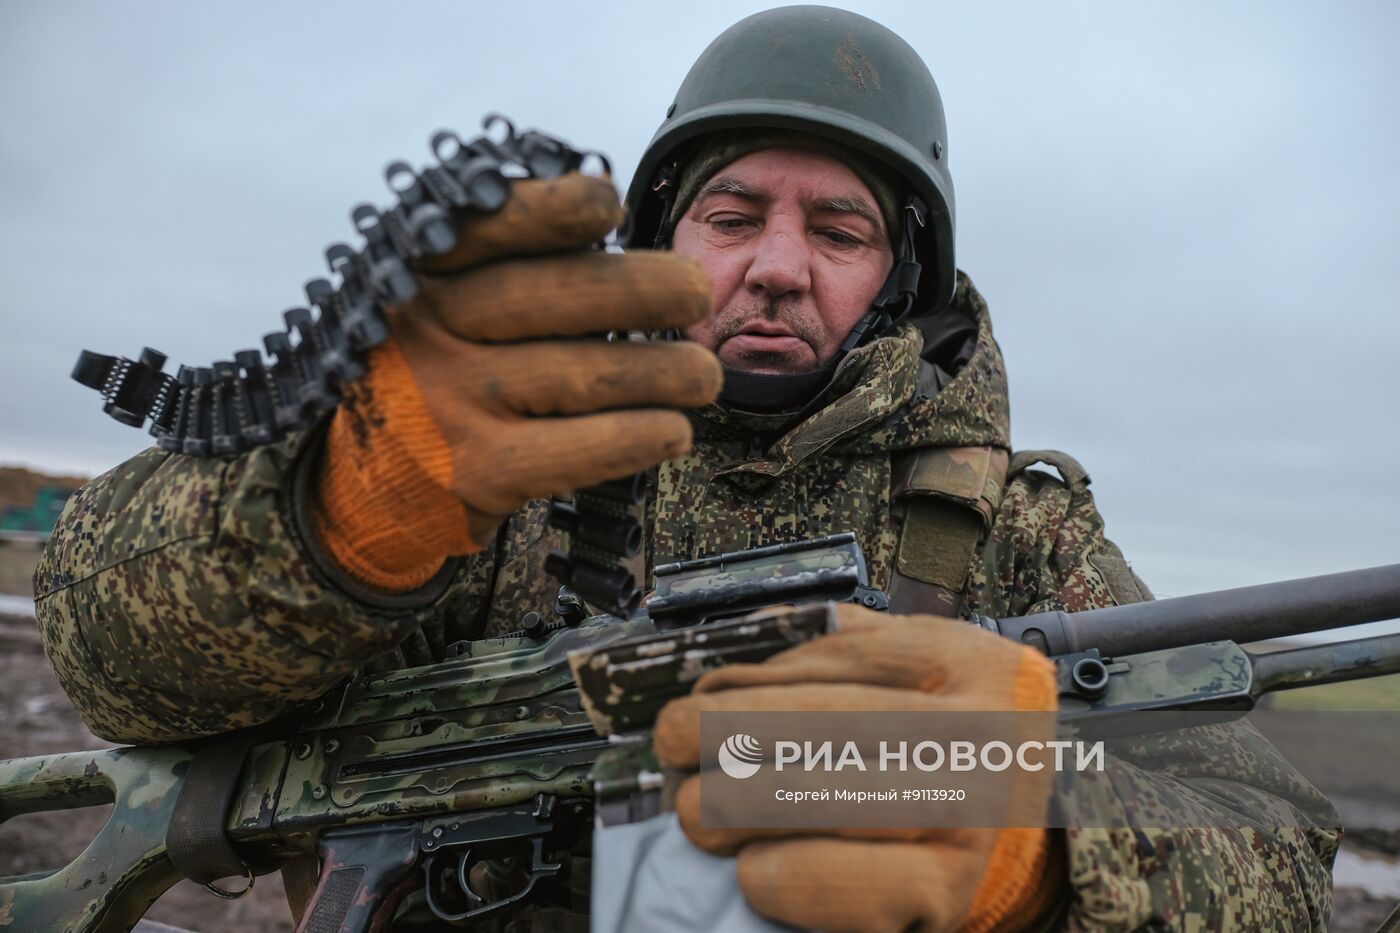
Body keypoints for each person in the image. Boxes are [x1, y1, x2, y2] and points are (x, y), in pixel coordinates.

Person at [33, 6, 1337, 931]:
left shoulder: (1009, 528)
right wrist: (343, 508)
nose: (778, 264)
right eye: (733, 214)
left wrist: (1033, 853)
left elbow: (1272, 837)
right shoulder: (503, 476)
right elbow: (105, 654)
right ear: (664, 233)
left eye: (839, 228)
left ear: (903, 279)